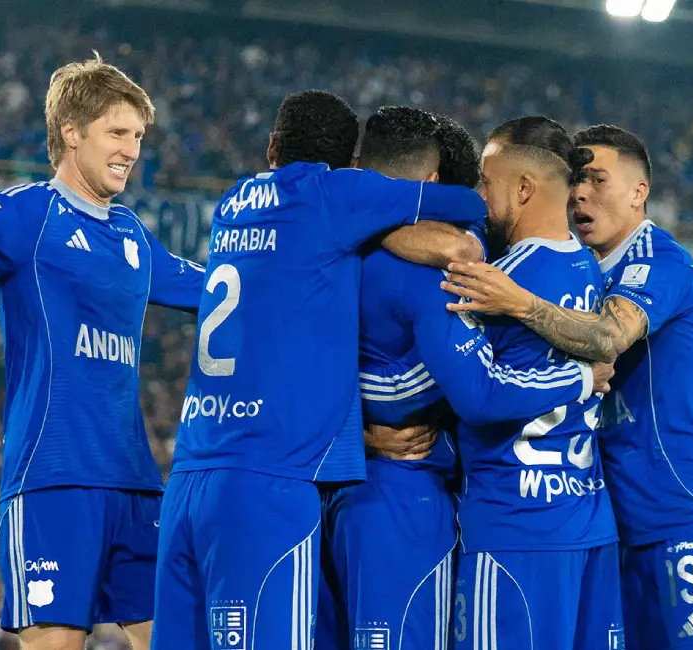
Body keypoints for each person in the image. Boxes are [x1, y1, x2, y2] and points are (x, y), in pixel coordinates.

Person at [0, 54, 204, 650]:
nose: (132, 149)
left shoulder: (132, 236)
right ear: (71, 133)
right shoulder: (31, 215)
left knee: (177, 638)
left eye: (139, 136)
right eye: (118, 132)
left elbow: (214, 289)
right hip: (53, 481)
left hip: (134, 484)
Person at [151, 91, 488, 650]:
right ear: (347, 166)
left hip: (191, 473)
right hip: (273, 484)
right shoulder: (335, 198)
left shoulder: (234, 200)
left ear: (271, 146)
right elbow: (469, 208)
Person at [443, 124, 693, 649]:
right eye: (576, 180)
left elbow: (608, 337)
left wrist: (518, 302)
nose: (580, 194)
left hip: (690, 518)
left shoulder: (659, 260)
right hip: (617, 531)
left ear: (640, 192)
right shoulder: (582, 269)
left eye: (597, 180)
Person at [323, 108, 611, 650]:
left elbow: (478, 391)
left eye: (486, 180)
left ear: (523, 189)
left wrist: (357, 432)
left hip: (508, 521)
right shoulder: (590, 267)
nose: (477, 194)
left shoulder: (489, 278)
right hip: (582, 515)